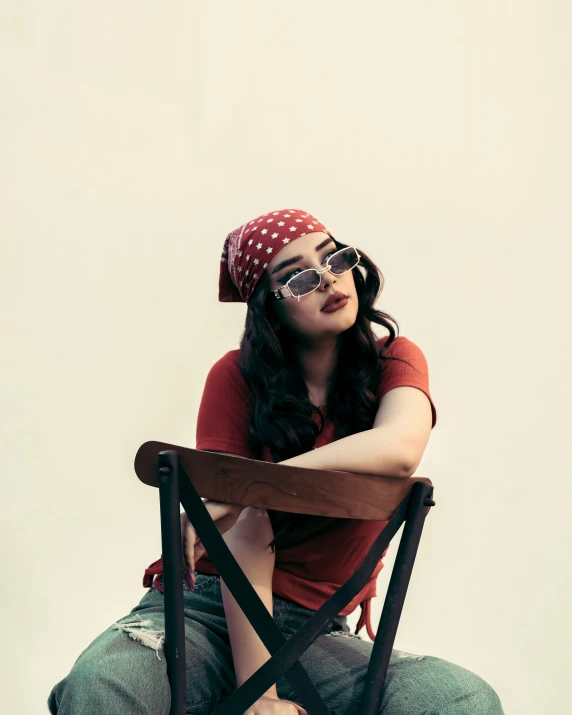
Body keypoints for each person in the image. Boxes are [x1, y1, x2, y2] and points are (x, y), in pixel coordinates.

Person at [48, 208, 504, 714]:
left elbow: (398, 449)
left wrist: (258, 484)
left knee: (461, 700)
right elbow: (246, 535)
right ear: (270, 307)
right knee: (105, 686)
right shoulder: (236, 376)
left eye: (334, 257)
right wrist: (261, 698)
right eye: (300, 278)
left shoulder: (394, 360)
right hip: (203, 610)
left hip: (314, 627)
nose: (328, 278)